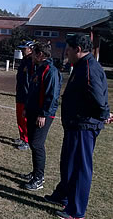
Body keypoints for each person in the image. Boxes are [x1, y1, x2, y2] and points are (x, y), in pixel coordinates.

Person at [44, 34, 112, 219]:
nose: (67, 53)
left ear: (78, 50)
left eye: (69, 50)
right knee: (68, 163)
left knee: (80, 168)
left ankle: (76, 211)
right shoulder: (81, 66)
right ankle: (63, 196)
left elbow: (98, 96)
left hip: (84, 126)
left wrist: (104, 114)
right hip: (74, 125)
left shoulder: (89, 68)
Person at [21, 42, 61, 191]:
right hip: (32, 111)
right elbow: (32, 91)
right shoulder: (38, 68)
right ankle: (35, 173)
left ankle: (39, 178)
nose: (31, 56)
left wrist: (43, 114)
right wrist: (26, 107)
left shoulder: (51, 71)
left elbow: (52, 95)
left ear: (41, 55)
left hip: (43, 115)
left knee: (37, 144)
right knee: (32, 142)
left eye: (34, 53)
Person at [15, 41, 35, 150]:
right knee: (19, 118)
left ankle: (27, 140)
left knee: (25, 118)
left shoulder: (32, 62)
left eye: (25, 49)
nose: (23, 51)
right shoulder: (24, 61)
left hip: (27, 95)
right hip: (20, 93)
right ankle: (22, 137)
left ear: (30, 49)